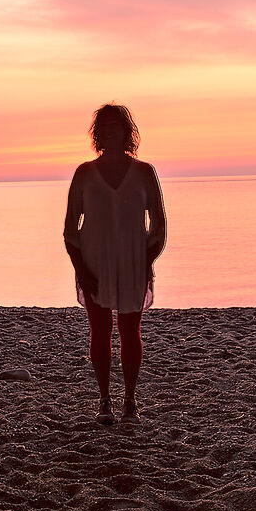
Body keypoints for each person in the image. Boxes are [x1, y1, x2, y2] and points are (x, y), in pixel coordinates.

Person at [62, 103, 166, 424]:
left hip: (133, 264)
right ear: (98, 134)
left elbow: (158, 225)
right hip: (93, 264)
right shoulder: (84, 173)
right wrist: (81, 270)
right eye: (104, 128)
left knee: (130, 331)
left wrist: (145, 262)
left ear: (126, 132)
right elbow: (70, 230)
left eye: (116, 127)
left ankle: (130, 402)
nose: (110, 133)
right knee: (100, 331)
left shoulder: (145, 172)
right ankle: (105, 400)